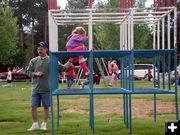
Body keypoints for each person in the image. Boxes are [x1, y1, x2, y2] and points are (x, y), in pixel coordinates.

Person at [26, 41, 50, 131]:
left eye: (42, 49)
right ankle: (35, 124)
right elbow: (28, 72)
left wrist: (70, 62)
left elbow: (61, 68)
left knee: (46, 107)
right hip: (35, 89)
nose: (39, 50)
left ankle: (44, 124)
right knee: (33, 106)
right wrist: (35, 74)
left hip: (47, 89)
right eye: (38, 49)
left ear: (46, 49)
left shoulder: (51, 60)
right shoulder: (33, 60)